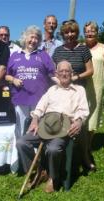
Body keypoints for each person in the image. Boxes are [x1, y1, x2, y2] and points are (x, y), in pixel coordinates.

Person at [16, 60, 89, 193]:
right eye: (61, 71)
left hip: (63, 126)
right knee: (21, 142)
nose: (64, 73)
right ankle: (38, 170)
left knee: (53, 149)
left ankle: (52, 177)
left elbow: (83, 110)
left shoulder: (79, 90)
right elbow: (40, 106)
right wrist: (35, 119)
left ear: (72, 73)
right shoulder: (51, 90)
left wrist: (78, 121)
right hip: (45, 124)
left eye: (67, 71)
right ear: (57, 73)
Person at [52, 19, 94, 170]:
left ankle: (84, 156)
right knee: (62, 120)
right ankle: (60, 153)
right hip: (63, 92)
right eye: (66, 32)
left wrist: (76, 78)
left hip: (79, 91)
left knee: (80, 124)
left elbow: (90, 70)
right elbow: (54, 71)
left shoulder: (83, 49)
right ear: (62, 34)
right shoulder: (58, 51)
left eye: (72, 31)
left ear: (77, 33)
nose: (69, 34)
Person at [5, 25, 56, 138]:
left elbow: (53, 74)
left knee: (36, 130)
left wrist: (63, 83)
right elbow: (6, 75)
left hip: (38, 100)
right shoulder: (15, 55)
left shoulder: (43, 55)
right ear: (25, 37)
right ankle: (20, 153)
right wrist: (13, 79)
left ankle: (35, 153)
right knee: (20, 129)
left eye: (37, 38)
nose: (33, 40)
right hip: (19, 98)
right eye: (31, 37)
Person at [84, 21, 104, 156]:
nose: (90, 33)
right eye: (87, 31)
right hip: (82, 86)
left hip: (96, 87)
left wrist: (101, 80)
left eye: (92, 31)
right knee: (81, 114)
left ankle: (87, 146)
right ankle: (78, 143)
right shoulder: (81, 47)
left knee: (93, 116)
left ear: (97, 32)